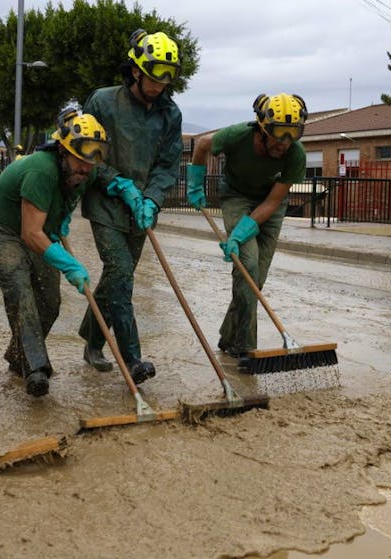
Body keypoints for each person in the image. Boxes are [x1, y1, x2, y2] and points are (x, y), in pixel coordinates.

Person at [77, 28, 183, 384]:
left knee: (117, 279)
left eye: (168, 77)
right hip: (105, 201)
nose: (161, 84)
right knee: (120, 272)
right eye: (155, 75)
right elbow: (85, 152)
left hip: (140, 209)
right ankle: (133, 360)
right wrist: (117, 183)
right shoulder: (103, 102)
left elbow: (168, 165)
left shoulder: (171, 114)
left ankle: (92, 340)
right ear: (136, 70)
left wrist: (151, 198)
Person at [0, 108, 106, 397]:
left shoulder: (85, 170)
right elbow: (30, 234)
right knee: (21, 290)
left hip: (40, 231)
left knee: (50, 300)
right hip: (4, 230)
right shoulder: (41, 170)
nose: (85, 169)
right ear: (63, 151)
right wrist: (69, 263)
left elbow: (54, 214)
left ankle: (18, 358)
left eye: (91, 163)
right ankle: (36, 369)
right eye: (80, 161)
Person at [187, 93, 307, 363]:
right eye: (278, 135)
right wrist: (195, 181)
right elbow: (203, 144)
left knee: (254, 281)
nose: (284, 143)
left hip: (270, 206)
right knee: (248, 265)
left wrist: (241, 233)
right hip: (236, 197)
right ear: (263, 128)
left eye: (292, 135)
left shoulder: (296, 155)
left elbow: (273, 202)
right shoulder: (238, 135)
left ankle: (228, 337)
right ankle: (245, 347)